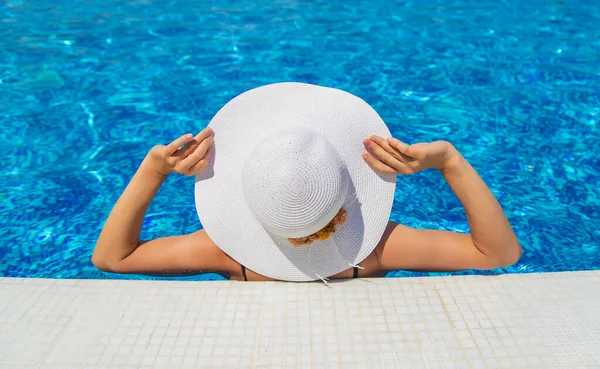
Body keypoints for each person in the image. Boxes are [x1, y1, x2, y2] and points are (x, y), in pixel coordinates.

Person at [92, 83, 521, 282]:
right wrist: (449, 161)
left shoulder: (225, 253)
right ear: (346, 191)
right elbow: (498, 252)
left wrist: (152, 171)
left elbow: (112, 257)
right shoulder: (375, 251)